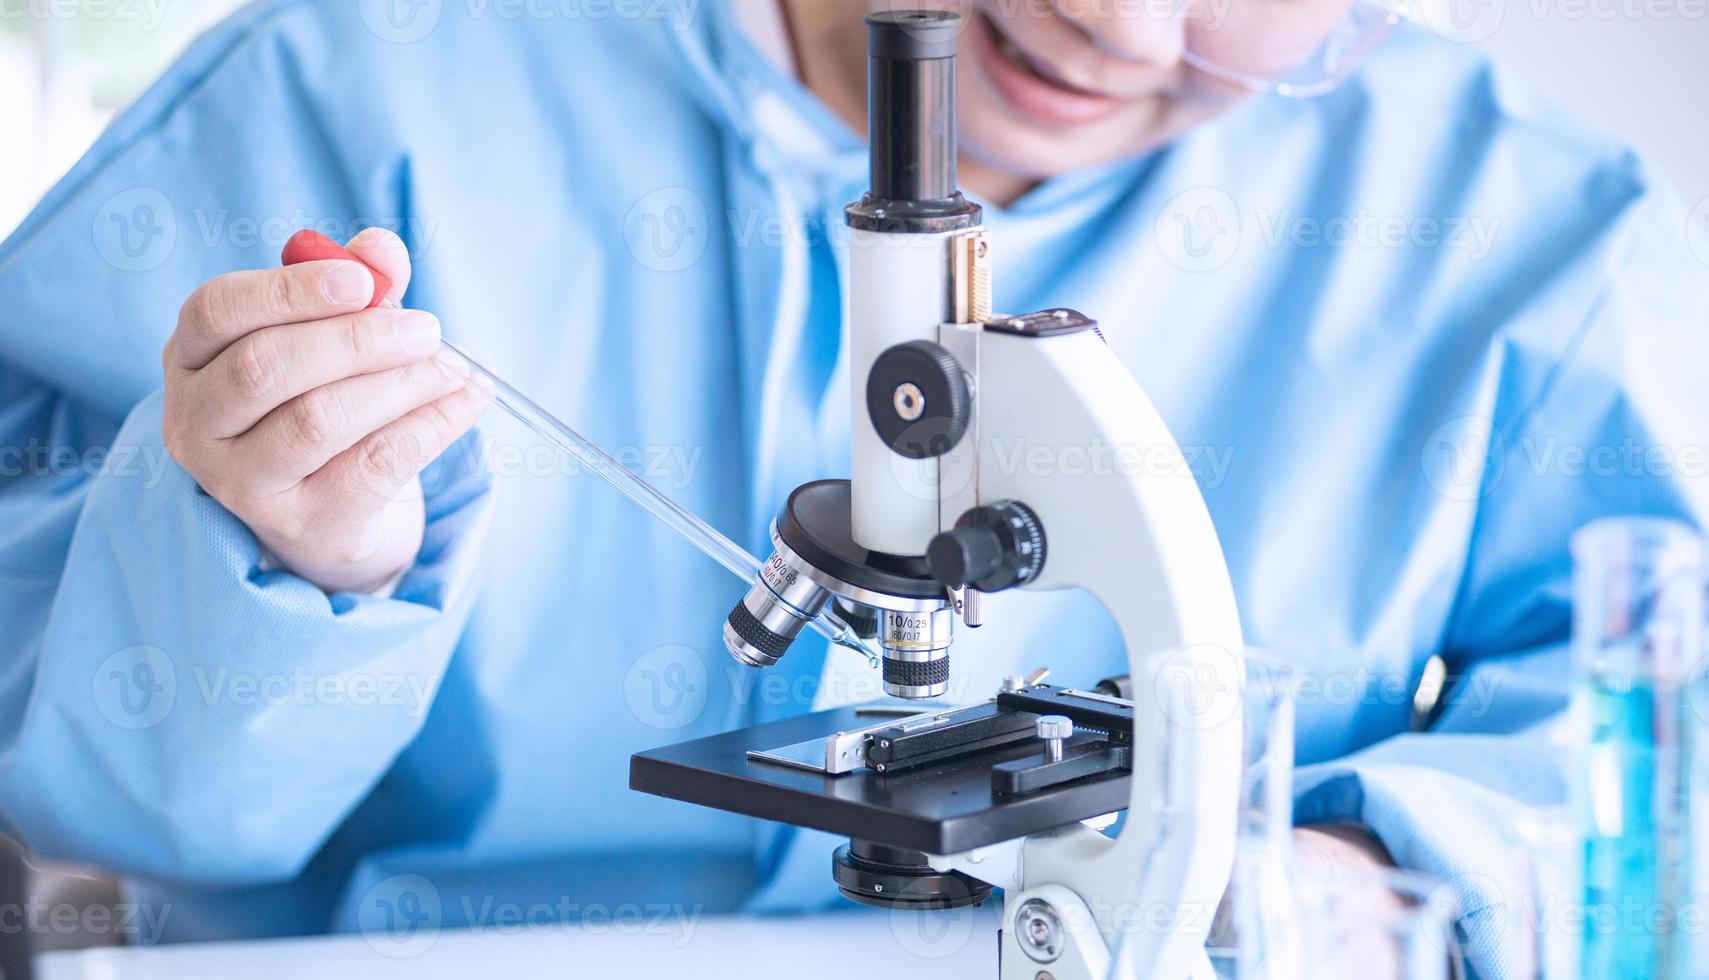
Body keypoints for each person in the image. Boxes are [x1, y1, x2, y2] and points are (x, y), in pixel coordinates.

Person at [0, 0, 1703, 974]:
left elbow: (1660, 737)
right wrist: (280, 560)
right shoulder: (357, 86)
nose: (1111, 26)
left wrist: (1352, 868)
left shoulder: (1513, 224)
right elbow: (87, 806)